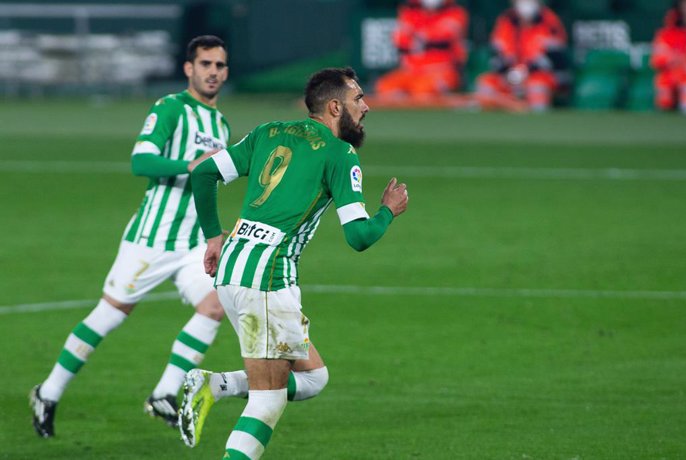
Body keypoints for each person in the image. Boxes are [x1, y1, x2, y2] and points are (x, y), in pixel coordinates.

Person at [181, 67, 408, 458]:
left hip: (234, 269)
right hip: (267, 280)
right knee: (267, 402)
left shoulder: (268, 132)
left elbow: (203, 173)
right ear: (336, 107)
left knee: (314, 377)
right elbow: (358, 237)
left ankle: (216, 385)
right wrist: (388, 211)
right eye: (359, 100)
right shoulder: (340, 154)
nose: (367, 107)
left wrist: (214, 238)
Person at [29, 35, 231, 438]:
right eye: (205, 64)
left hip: (192, 242)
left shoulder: (221, 124)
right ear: (188, 68)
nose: (213, 72)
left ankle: (164, 394)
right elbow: (141, 160)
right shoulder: (171, 108)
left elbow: (208, 183)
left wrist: (214, 232)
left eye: (220, 65)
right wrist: (190, 164)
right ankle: (47, 392)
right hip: (150, 239)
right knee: (108, 316)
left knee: (215, 304)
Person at [475, 0, 567, 111]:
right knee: (487, 82)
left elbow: (556, 57)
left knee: (537, 85)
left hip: (538, 74)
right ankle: (491, 122)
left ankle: (537, 121)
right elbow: (496, 52)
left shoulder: (549, 20)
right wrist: (508, 72)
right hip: (509, 75)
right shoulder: (506, 20)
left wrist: (526, 71)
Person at [375, 0, 469, 99]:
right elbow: (400, 38)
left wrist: (419, 35)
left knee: (422, 90)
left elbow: (445, 33)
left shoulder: (455, 12)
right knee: (384, 86)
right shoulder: (411, 12)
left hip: (440, 71)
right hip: (411, 71)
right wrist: (420, 37)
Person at [651, 0, 686, 113]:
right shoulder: (665, 34)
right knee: (664, 84)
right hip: (671, 73)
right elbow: (657, 61)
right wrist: (675, 60)